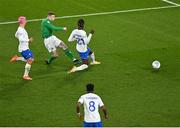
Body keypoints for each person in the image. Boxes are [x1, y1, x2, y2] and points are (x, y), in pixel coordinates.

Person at [10, 16, 34, 80]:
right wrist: (28, 40)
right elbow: (20, 39)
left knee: (29, 59)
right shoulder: (21, 30)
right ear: (23, 21)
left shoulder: (20, 28)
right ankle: (25, 75)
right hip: (24, 49)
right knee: (30, 60)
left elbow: (15, 35)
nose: (26, 21)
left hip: (24, 47)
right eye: (25, 20)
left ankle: (16, 58)